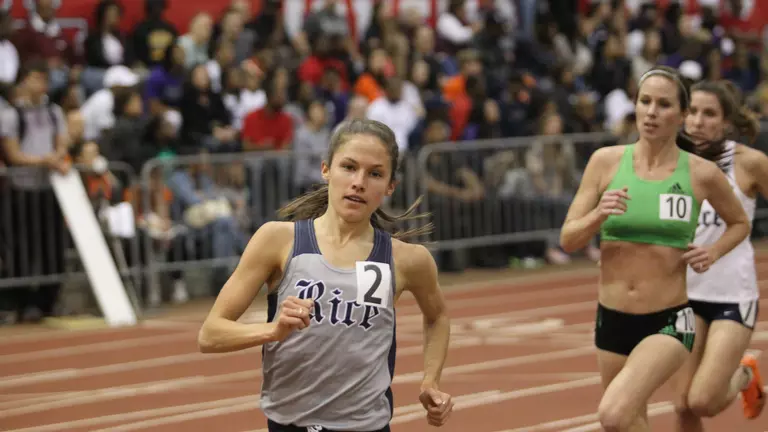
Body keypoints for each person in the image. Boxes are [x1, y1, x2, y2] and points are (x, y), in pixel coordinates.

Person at [198, 119, 453, 431]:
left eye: (375, 173)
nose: (359, 182)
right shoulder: (279, 240)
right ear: (326, 170)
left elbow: (438, 316)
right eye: (349, 167)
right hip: (291, 424)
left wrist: (431, 380)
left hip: (366, 426)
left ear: (390, 186)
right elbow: (210, 334)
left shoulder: (408, 259)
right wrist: (273, 331)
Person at [560, 65, 751, 431]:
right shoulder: (606, 162)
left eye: (663, 105)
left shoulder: (700, 173)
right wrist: (598, 215)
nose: (651, 112)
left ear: (681, 115)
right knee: (630, 422)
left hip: (667, 322)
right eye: (644, 102)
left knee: (613, 414)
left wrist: (713, 252)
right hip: (611, 317)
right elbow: (569, 238)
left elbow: (740, 222)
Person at [670, 80, 765, 431]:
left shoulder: (749, 162)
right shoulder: (672, 160)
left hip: (731, 296)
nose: (697, 121)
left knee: (703, 400)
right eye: (692, 112)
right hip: (682, 296)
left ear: (725, 122)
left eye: (709, 114)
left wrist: (714, 251)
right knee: (682, 406)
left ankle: (743, 374)